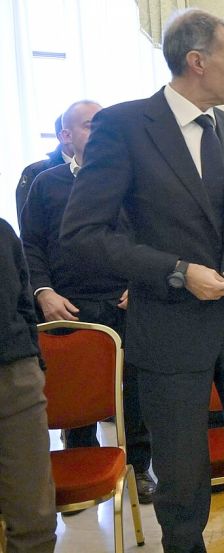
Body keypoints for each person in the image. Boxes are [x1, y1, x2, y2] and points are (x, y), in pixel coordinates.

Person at [60, 9, 224, 552]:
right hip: (168, 330)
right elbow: (83, 234)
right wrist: (178, 273)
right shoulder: (124, 126)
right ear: (196, 61)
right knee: (182, 483)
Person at [20, 100, 156, 504]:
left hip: (125, 302)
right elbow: (31, 246)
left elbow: (148, 239)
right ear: (66, 136)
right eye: (88, 126)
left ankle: (138, 468)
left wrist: (141, 281)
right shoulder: (45, 183)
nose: (98, 134)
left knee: (134, 392)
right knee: (77, 394)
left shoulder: (132, 183)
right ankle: (83, 471)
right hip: (69, 305)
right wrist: (44, 293)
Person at [0, 217, 57, 552]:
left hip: (13, 378)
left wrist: (33, 364)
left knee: (33, 520)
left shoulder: (3, 232)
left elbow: (23, 305)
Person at [14, 115, 73, 229]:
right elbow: (28, 230)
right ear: (64, 136)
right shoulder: (35, 172)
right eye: (88, 126)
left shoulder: (104, 170)